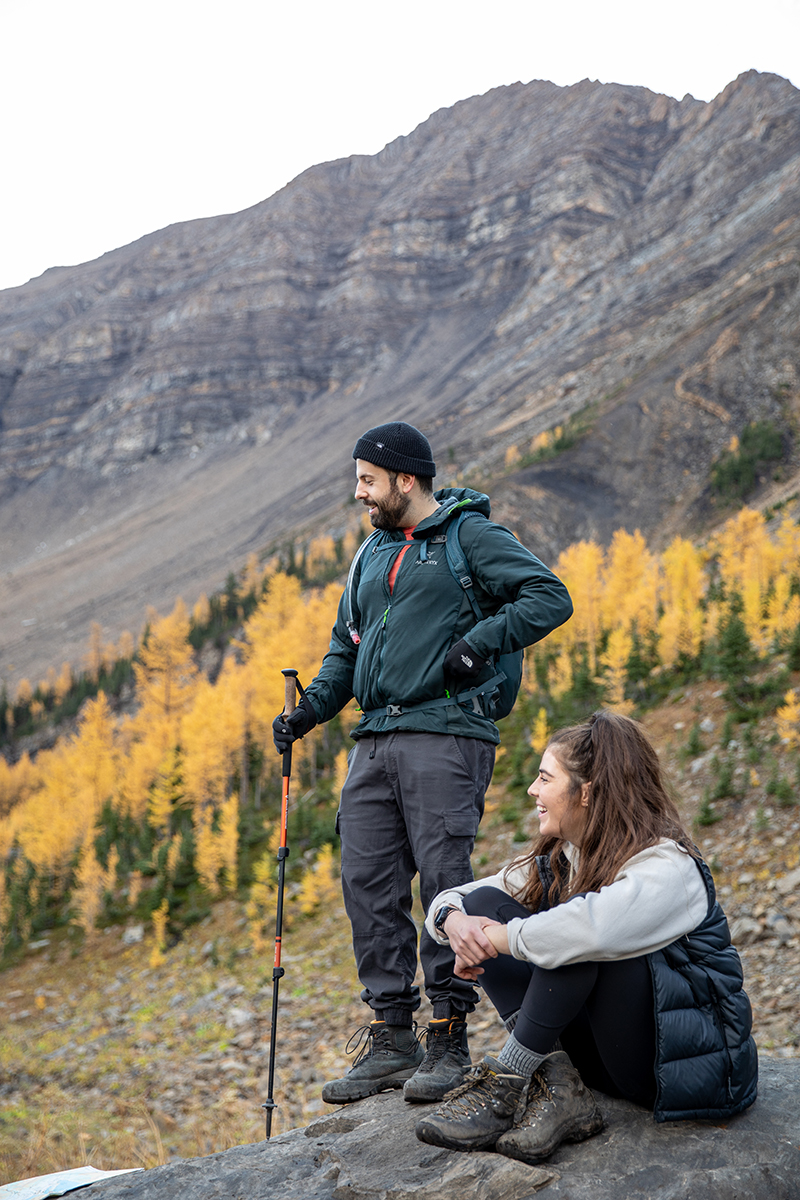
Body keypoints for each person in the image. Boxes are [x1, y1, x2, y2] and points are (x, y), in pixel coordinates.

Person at [272, 421, 573, 1104]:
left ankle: (446, 1034)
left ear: (406, 479)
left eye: (367, 481)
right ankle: (391, 1037)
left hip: (446, 734)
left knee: (444, 883)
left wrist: (481, 642)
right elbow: (345, 651)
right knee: (368, 882)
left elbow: (549, 595)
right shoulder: (370, 555)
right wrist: (309, 711)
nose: (359, 494)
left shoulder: (469, 537)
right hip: (374, 739)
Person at [416, 710, 758, 1161]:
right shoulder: (565, 857)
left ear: (587, 794)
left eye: (545, 779)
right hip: (603, 1059)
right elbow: (457, 897)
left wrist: (496, 940)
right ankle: (557, 1086)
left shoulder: (669, 866)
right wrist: (456, 924)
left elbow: (591, 929)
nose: (532, 791)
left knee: (576, 937)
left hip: (674, 1071)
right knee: (482, 903)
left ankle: (508, 1083)